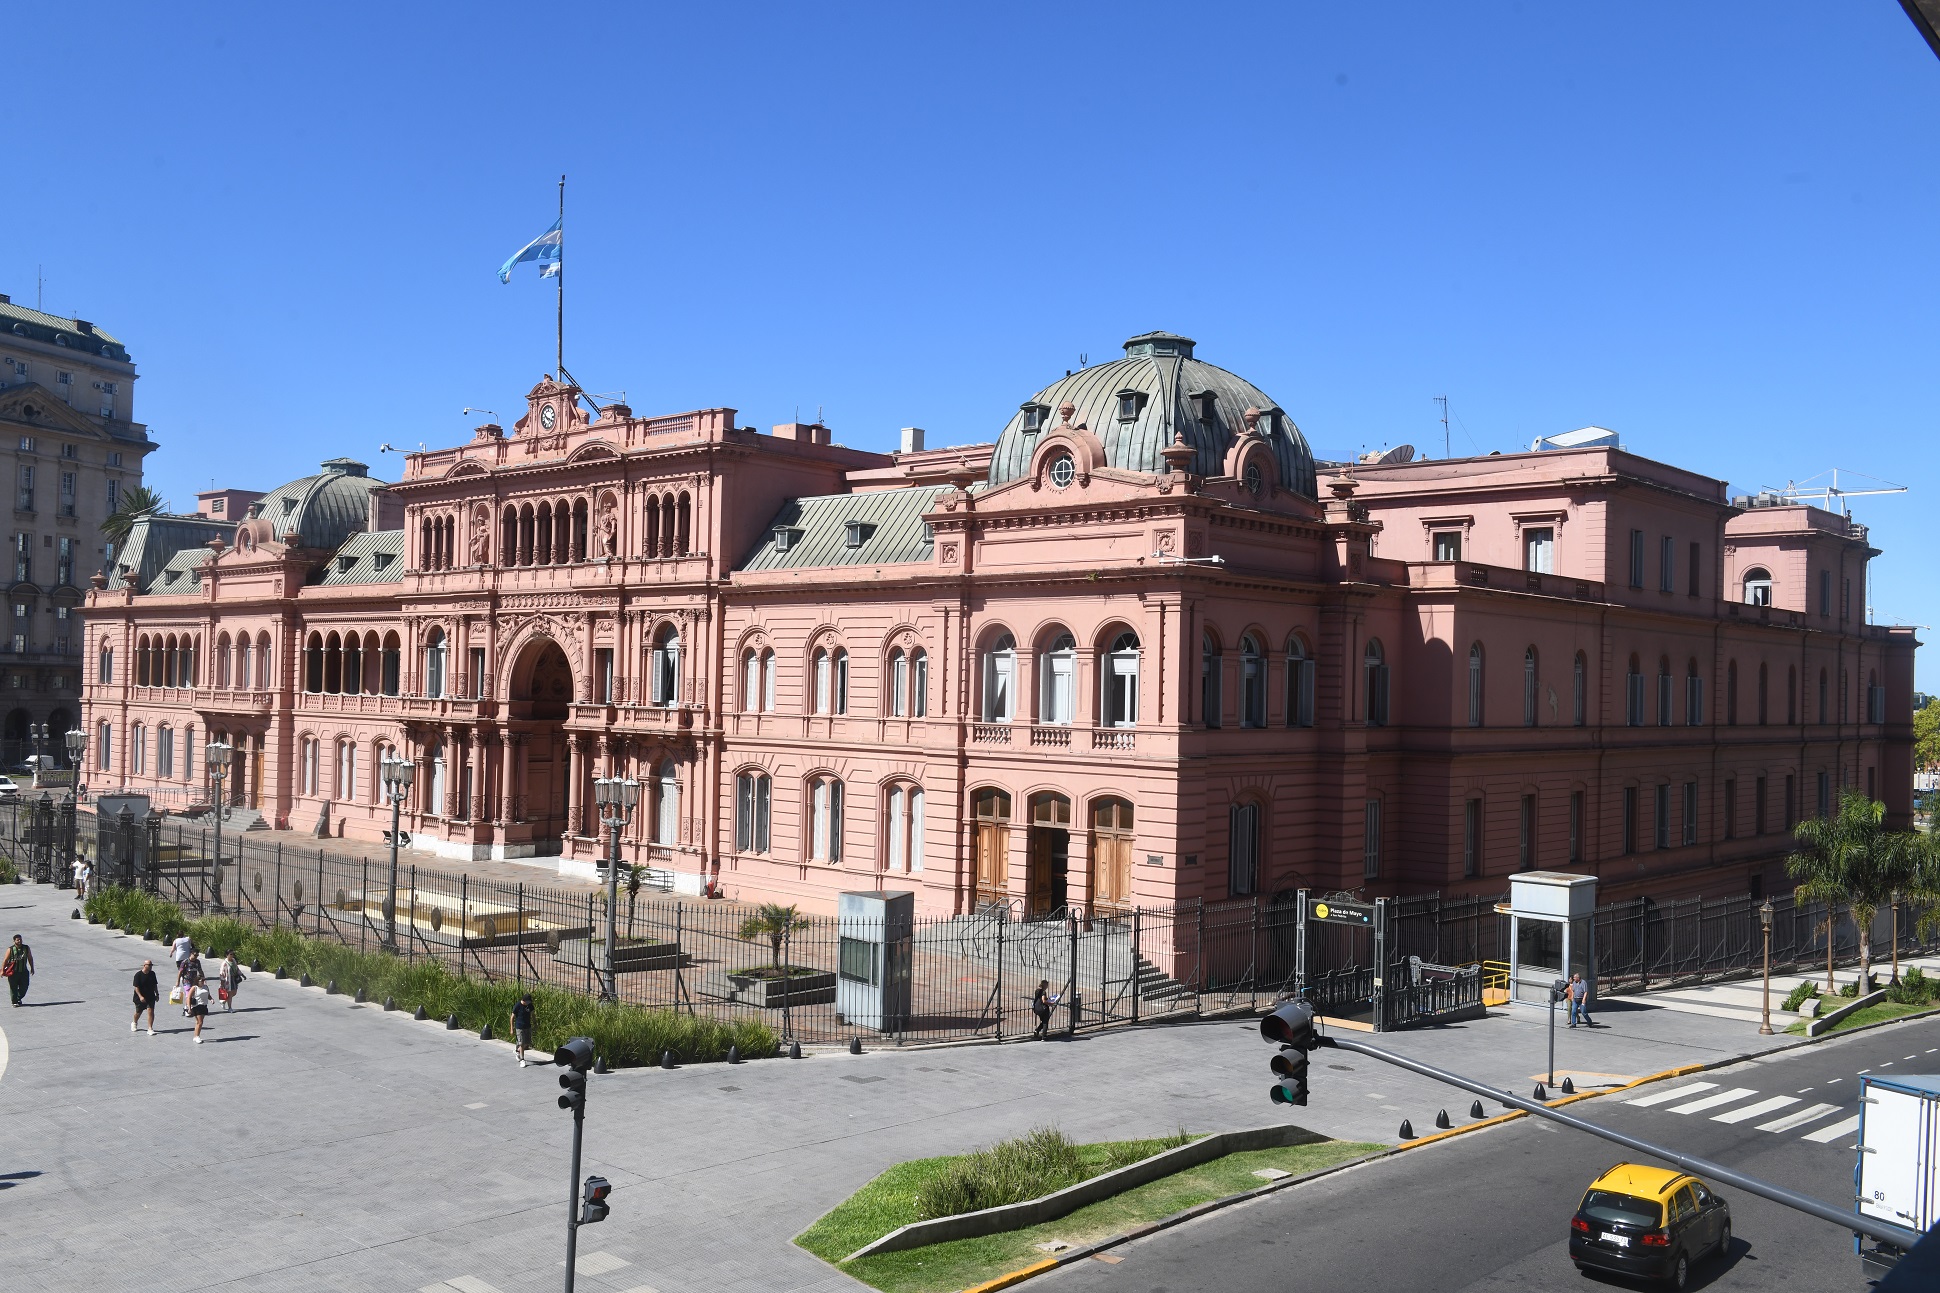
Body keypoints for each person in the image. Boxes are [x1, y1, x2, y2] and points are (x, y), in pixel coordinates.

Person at [2, 934, 32, 1007]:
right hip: (13, 972)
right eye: (18, 940)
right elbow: (5, 960)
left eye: (20, 939)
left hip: (23, 971)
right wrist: (2, 970)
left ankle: (18, 997)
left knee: (24, 987)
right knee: (13, 987)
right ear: (14, 941)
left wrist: (32, 968)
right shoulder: (10, 949)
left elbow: (30, 958)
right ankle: (14, 1001)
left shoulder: (26, 948)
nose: (19, 941)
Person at [132, 958, 159, 1034]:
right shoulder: (138, 975)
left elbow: (155, 985)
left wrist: (157, 994)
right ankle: (134, 1022)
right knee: (138, 1012)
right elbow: (136, 987)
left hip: (150, 996)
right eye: (149, 965)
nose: (150, 966)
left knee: (150, 1011)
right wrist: (140, 996)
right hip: (140, 997)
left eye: (151, 965)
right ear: (144, 965)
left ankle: (150, 1028)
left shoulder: (152, 974)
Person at [511, 993, 534, 1067]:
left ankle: (517, 1051)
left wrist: (535, 1024)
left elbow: (533, 1014)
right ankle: (522, 1060)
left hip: (527, 1026)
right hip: (519, 1027)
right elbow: (512, 1017)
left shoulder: (530, 1005)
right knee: (522, 1043)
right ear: (524, 1001)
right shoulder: (518, 1006)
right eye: (528, 1001)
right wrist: (511, 1028)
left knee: (527, 1043)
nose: (529, 1003)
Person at [188, 978, 211, 1043]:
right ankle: (197, 1036)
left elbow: (208, 995)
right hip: (197, 1006)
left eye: (204, 980)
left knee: (198, 1022)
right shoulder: (194, 988)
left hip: (204, 1005)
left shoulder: (206, 987)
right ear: (197, 981)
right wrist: (189, 1008)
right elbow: (188, 998)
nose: (203, 982)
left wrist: (211, 999)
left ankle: (195, 1036)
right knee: (200, 1022)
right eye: (201, 981)